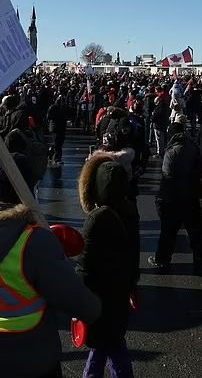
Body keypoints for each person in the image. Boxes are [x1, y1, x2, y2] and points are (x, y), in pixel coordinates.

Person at [0, 161, 102, 378]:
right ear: (27, 189)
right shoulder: (34, 241)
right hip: (29, 353)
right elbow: (73, 297)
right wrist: (95, 309)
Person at [76, 153, 140, 378]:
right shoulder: (130, 210)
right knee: (109, 342)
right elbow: (135, 252)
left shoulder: (97, 218)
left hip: (99, 293)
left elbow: (85, 264)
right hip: (119, 289)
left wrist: (78, 297)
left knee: (108, 343)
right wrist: (132, 283)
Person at [148, 122, 202, 272]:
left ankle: (162, 259)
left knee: (168, 231)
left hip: (173, 196)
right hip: (190, 194)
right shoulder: (192, 146)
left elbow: (167, 175)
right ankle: (200, 256)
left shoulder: (172, 151)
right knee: (194, 229)